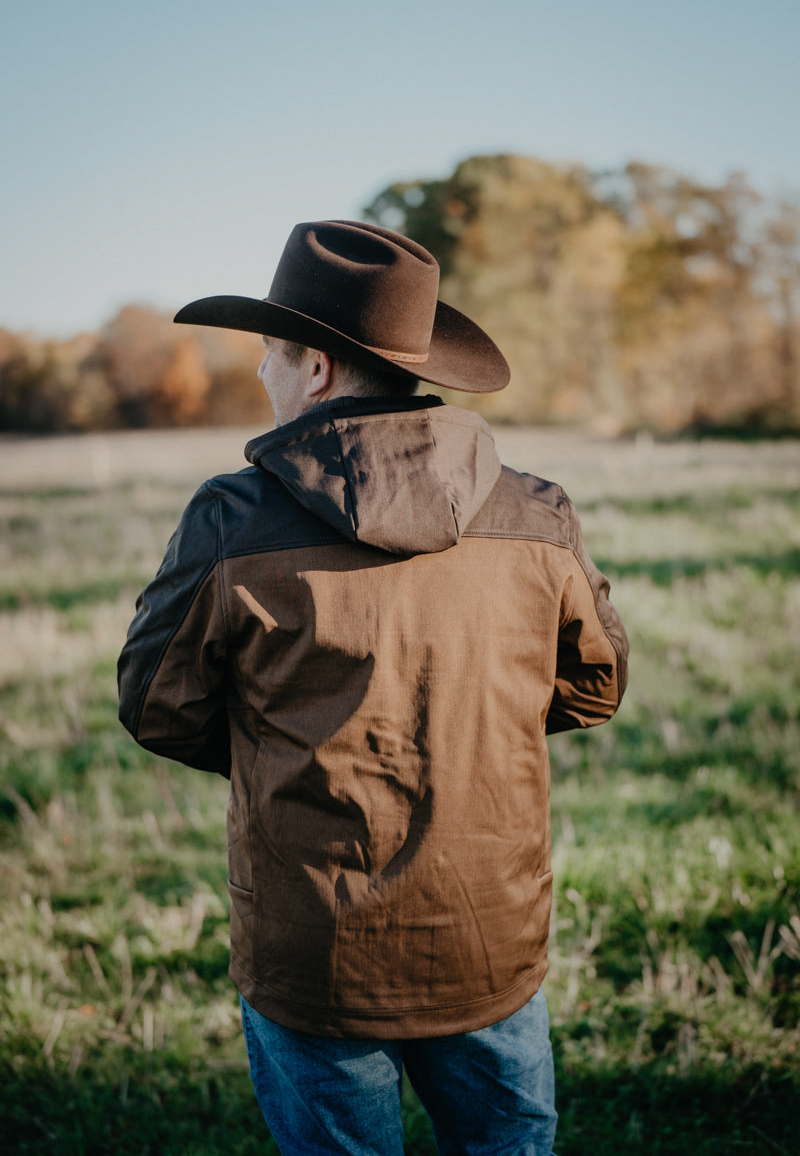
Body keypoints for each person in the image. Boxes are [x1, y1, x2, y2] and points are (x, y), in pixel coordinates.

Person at [118, 219, 628, 1155]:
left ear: (314, 367)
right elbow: (594, 685)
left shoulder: (230, 522)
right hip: (489, 935)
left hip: (315, 950)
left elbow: (157, 705)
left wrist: (290, 744)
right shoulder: (537, 511)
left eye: (272, 355)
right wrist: (476, 730)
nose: (263, 377)